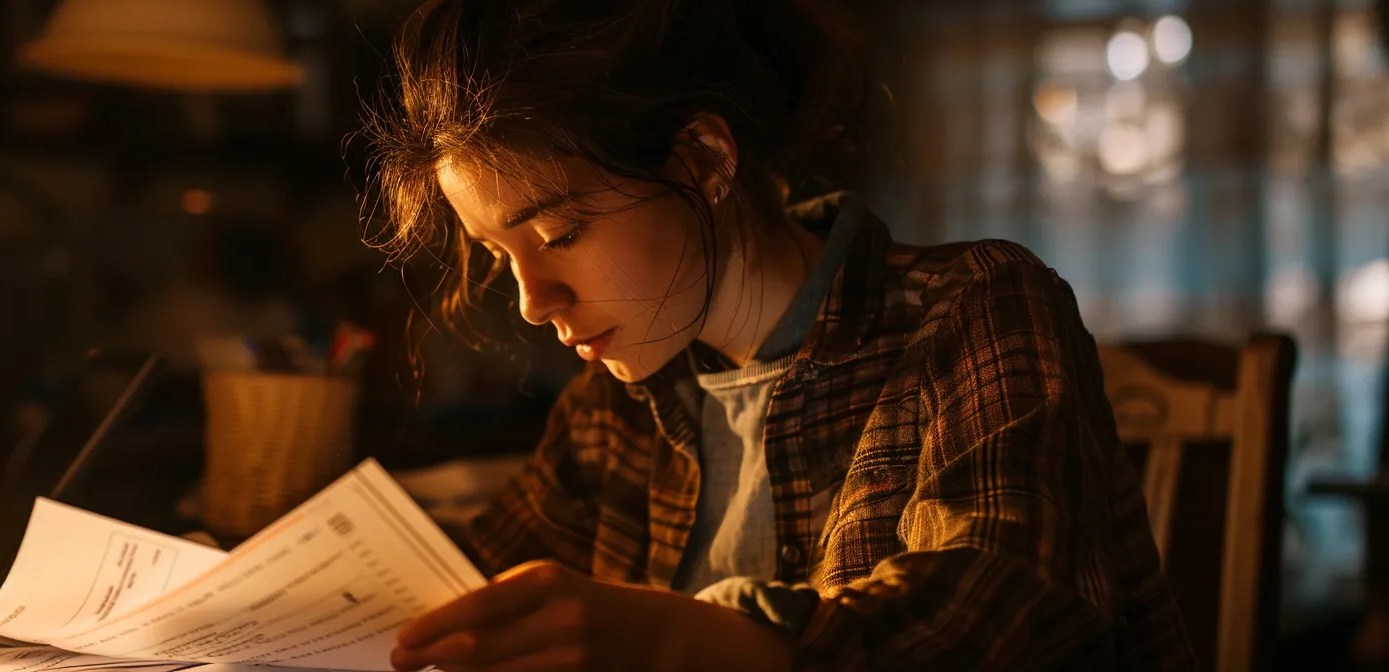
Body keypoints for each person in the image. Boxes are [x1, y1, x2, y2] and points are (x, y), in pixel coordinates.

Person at [358, 0, 1196, 669]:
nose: (533, 303)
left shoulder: (972, 309)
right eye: (499, 255)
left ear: (702, 160)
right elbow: (447, 601)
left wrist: (665, 640)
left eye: (561, 234)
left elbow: (998, 614)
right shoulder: (607, 417)